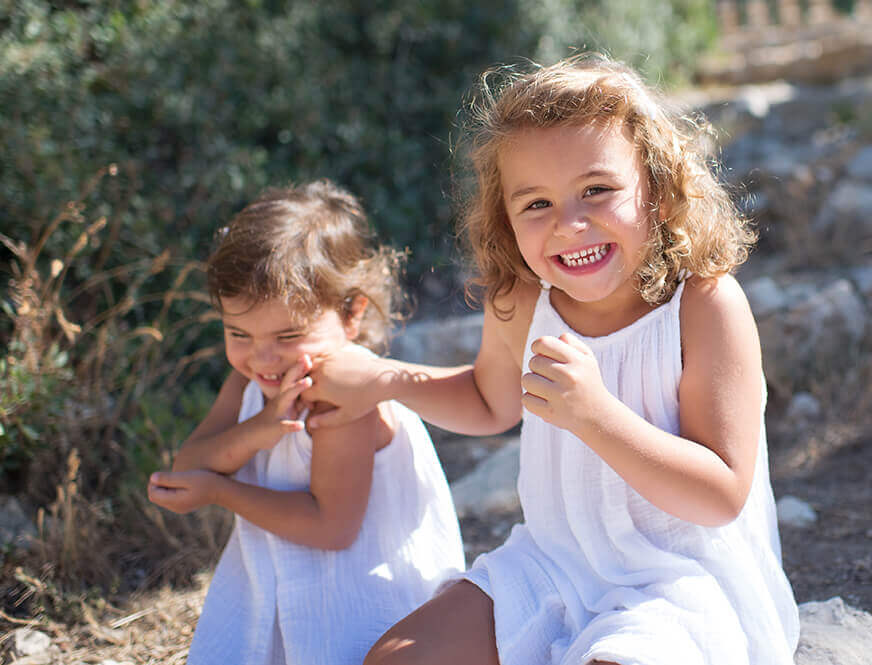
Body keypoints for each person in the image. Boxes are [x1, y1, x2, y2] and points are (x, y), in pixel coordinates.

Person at [305, 54, 799, 664]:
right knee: (395, 659)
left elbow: (720, 495)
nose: (570, 223)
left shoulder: (702, 306)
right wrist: (383, 381)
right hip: (552, 563)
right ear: (506, 222)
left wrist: (595, 415)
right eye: (536, 204)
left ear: (661, 192)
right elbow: (490, 402)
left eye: (597, 190)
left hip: (679, 581)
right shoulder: (520, 299)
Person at [146, 180, 465, 665]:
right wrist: (261, 429)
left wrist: (220, 491)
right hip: (278, 593)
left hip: (356, 604)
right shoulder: (251, 379)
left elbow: (331, 528)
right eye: (238, 332)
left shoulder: (343, 401)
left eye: (288, 334)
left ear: (352, 312)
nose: (262, 357)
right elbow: (191, 461)